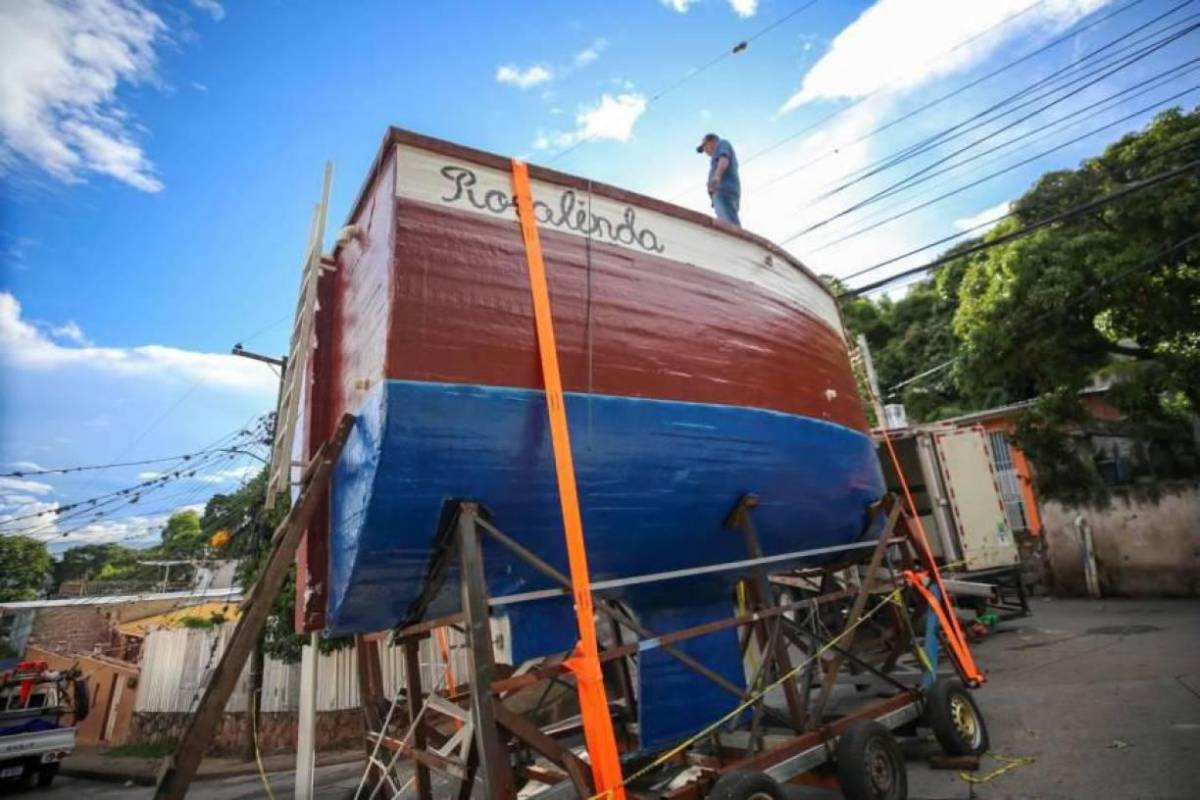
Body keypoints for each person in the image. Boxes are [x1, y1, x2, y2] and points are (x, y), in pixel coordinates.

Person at [697, 132, 741, 226]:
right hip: (722, 192)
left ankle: (734, 239)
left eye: (704, 146)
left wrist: (717, 177)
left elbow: (724, 159)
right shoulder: (714, 157)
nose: (705, 150)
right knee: (727, 218)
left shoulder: (722, 144)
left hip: (723, 190)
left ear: (712, 141)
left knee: (728, 223)